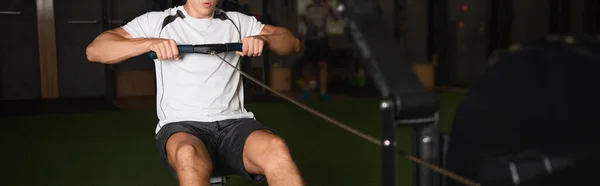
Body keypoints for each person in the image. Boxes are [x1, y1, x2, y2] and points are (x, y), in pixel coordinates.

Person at [85, 0, 305, 186]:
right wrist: (149, 43)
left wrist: (264, 39)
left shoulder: (236, 21)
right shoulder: (158, 22)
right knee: (188, 154)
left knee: (276, 148)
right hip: (183, 126)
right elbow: (96, 50)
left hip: (235, 124)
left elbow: (291, 43)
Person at [298, 0, 338, 101]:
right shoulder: (308, 9)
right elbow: (302, 25)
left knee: (323, 66)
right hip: (311, 41)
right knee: (309, 66)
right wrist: (301, 40)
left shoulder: (326, 9)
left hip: (323, 40)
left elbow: (336, 19)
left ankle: (323, 92)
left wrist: (329, 7)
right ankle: (306, 89)